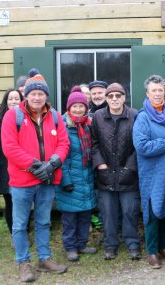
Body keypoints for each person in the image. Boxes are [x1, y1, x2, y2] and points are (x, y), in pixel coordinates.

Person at [1, 69, 70, 282]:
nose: (37, 97)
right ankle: (23, 262)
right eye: (33, 94)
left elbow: (63, 143)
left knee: (43, 221)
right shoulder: (13, 116)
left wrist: (53, 163)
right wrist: (34, 164)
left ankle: (44, 258)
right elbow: (9, 147)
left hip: (47, 179)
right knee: (20, 224)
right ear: (26, 95)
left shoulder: (55, 116)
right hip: (22, 181)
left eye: (41, 93)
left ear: (46, 95)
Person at [132, 75, 165, 269]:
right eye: (153, 90)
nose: (157, 94)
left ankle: (163, 246)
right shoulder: (143, 117)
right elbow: (141, 146)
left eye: (160, 90)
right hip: (152, 172)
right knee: (153, 210)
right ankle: (152, 251)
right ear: (147, 93)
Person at [91, 83, 141, 261]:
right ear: (106, 98)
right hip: (105, 174)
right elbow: (94, 143)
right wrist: (100, 164)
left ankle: (132, 243)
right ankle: (110, 244)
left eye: (118, 96)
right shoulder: (98, 116)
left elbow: (139, 144)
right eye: (110, 96)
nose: (114, 99)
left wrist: (130, 166)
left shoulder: (134, 115)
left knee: (130, 210)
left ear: (124, 97)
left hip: (128, 173)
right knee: (108, 212)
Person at [55, 87, 97, 262]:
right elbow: (59, 156)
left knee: (85, 213)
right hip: (70, 179)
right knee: (70, 217)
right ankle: (70, 247)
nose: (78, 109)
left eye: (81, 106)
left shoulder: (89, 125)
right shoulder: (62, 126)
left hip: (86, 178)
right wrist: (65, 179)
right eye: (75, 106)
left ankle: (82, 243)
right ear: (68, 108)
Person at [0, 88, 23, 236]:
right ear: (5, 101)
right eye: (10, 99)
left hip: (22, 168)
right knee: (11, 203)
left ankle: (24, 231)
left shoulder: (25, 119)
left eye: (17, 99)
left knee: (22, 203)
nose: (13, 101)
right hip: (4, 170)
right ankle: (14, 235)